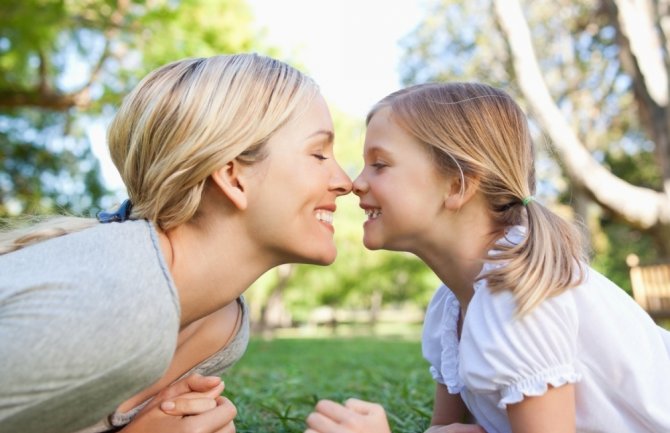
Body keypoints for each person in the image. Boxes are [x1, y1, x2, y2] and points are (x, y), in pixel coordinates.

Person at [0, 53, 352, 433]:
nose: (345, 181)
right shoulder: (118, 307)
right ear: (233, 176)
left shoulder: (221, 325)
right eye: (318, 154)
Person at [304, 82, 670, 433]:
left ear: (457, 185)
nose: (357, 183)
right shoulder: (452, 304)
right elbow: (444, 429)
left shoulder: (519, 298)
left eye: (380, 164)